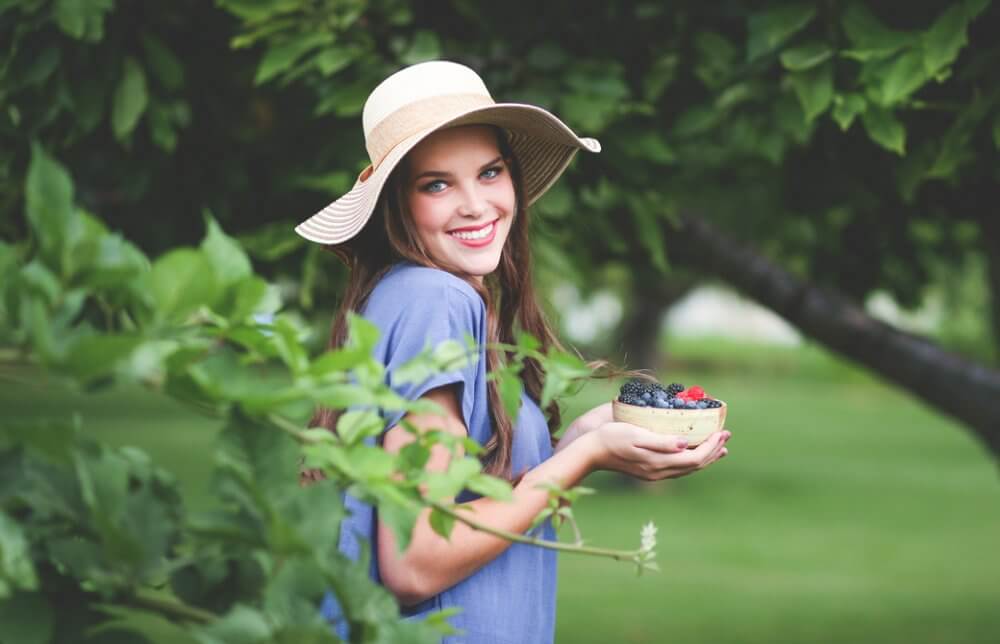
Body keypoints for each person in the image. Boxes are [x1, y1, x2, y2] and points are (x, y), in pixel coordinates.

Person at [295, 60, 730, 644]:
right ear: (397, 204)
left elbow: (474, 494)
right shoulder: (434, 300)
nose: (475, 205)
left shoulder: (424, 298)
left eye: (490, 172)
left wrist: (577, 443)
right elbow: (416, 559)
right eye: (437, 184)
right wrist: (584, 458)